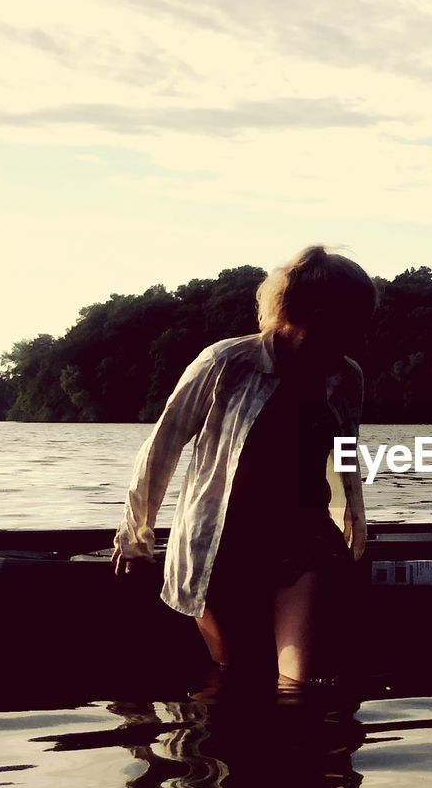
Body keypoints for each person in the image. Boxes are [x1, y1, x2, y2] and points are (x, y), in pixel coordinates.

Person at [111, 245, 376, 688]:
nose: (360, 335)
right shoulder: (225, 364)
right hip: (220, 544)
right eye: (352, 319)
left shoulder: (346, 376)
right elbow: (162, 447)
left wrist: (355, 528)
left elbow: (343, 455)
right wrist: (137, 535)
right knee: (236, 677)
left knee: (300, 683)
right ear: (309, 311)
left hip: (303, 538)